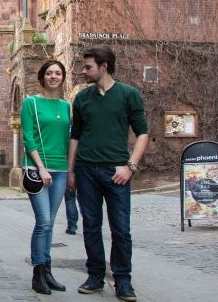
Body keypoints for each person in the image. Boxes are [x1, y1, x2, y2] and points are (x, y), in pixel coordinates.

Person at [67, 45, 148, 302]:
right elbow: (75, 136)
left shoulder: (128, 94)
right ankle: (95, 275)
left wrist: (130, 166)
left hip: (117, 172)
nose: (84, 70)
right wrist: (71, 171)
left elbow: (143, 133)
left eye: (88, 66)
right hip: (86, 171)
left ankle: (123, 280)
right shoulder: (82, 98)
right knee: (91, 227)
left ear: (104, 65)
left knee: (121, 229)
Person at [21, 59, 71, 295]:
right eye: (49, 73)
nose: (53, 76)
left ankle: (48, 271)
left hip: (61, 169)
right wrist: (41, 167)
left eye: (58, 73)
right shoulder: (31, 102)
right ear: (42, 77)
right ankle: (37, 272)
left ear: (62, 78)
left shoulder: (66, 106)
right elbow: (28, 138)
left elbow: (69, 140)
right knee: (43, 221)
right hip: (37, 169)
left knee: (50, 222)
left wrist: (71, 169)